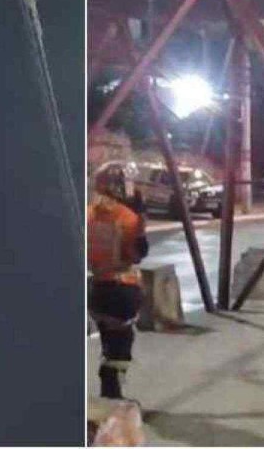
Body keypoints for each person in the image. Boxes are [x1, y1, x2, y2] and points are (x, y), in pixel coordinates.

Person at [88, 166, 148, 400]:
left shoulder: (88, 214)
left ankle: (109, 392)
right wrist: (140, 223)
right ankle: (113, 400)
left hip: (97, 290)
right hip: (121, 290)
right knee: (121, 348)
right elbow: (136, 254)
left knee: (108, 342)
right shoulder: (127, 217)